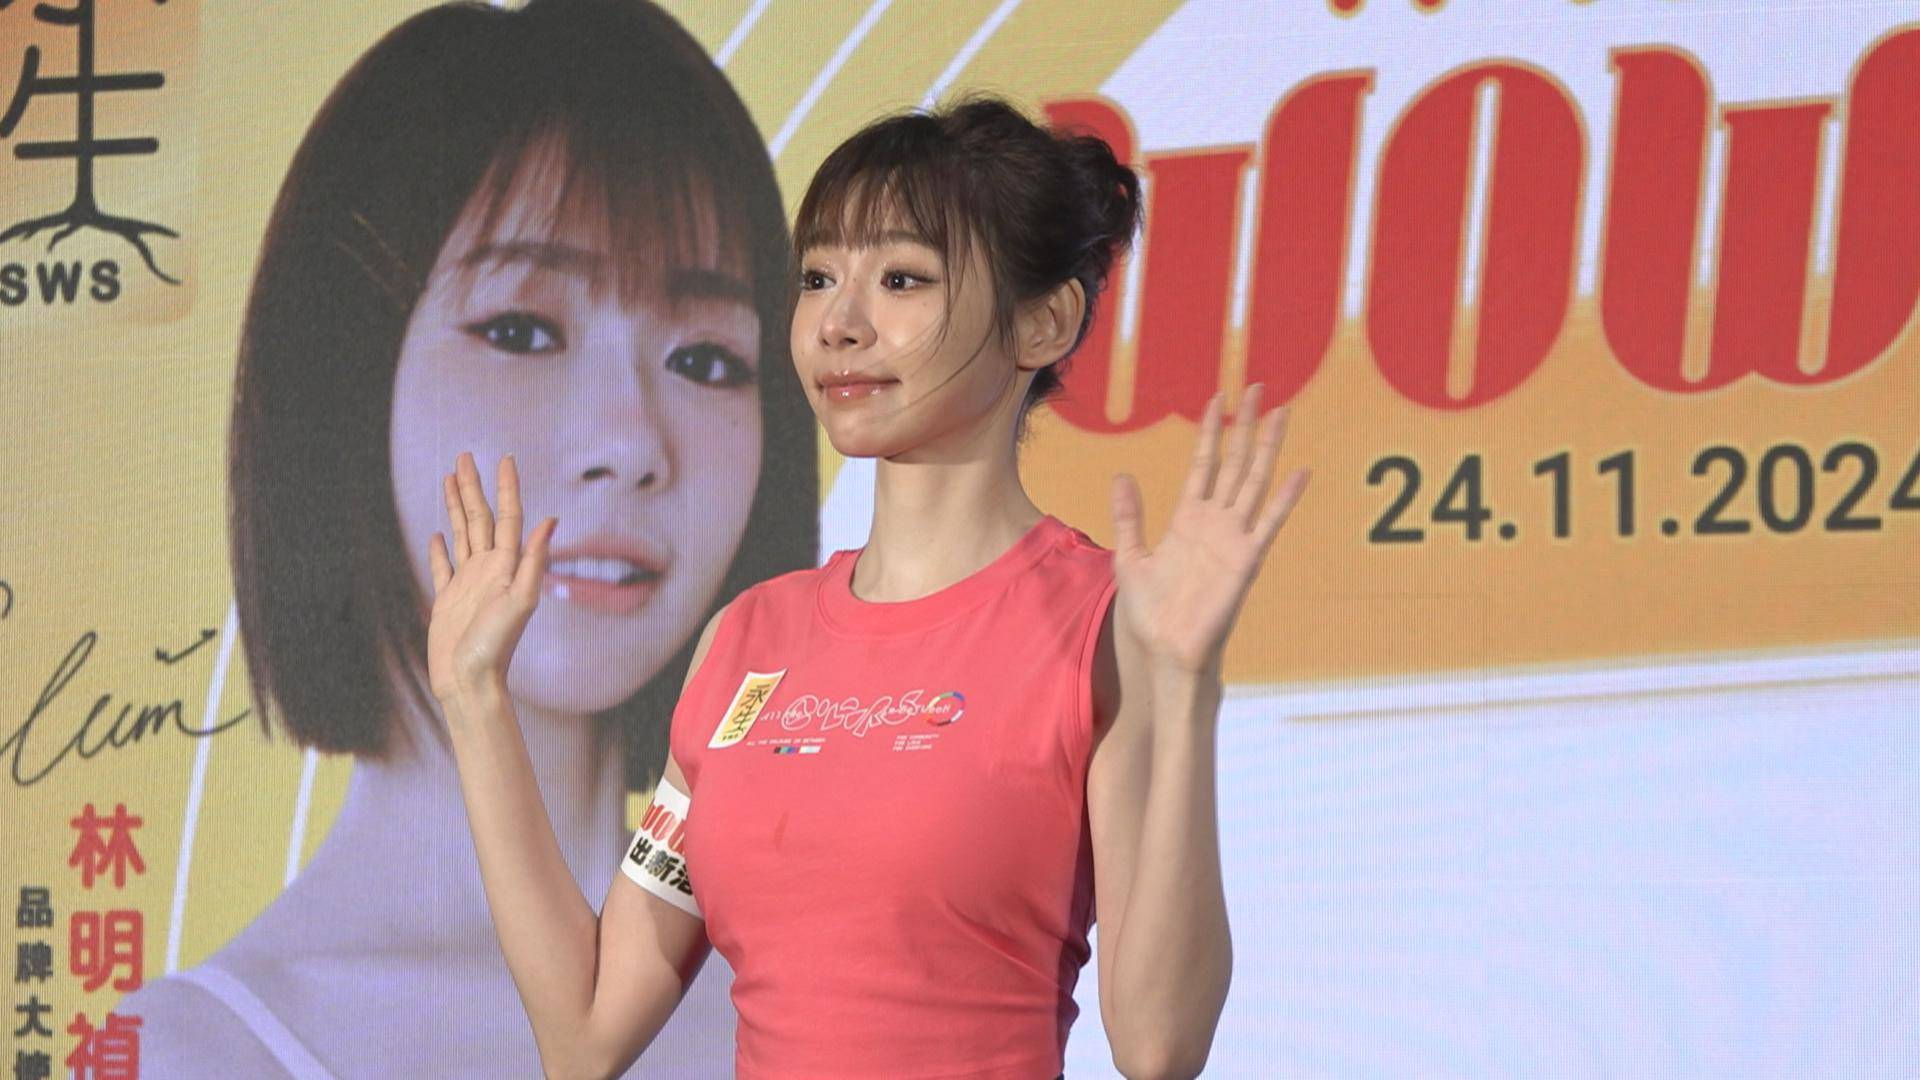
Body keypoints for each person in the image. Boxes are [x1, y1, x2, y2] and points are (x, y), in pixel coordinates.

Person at [431, 96, 1311, 1079]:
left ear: (1042, 322)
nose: (839, 325)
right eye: (818, 279)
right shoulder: (749, 641)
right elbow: (586, 1034)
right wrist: (474, 700)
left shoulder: (1103, 623)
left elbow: (1160, 1047)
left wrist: (1184, 687)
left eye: (901, 279)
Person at [112, 1, 815, 1076]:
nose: (631, 445)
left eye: (706, 360)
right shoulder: (193, 1050)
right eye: (523, 330)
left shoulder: (803, 1010)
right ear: (353, 378)